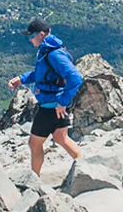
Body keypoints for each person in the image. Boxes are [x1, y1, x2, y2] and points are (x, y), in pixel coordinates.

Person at [8, 18, 85, 175]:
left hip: (51, 106)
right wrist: (21, 78)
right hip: (57, 105)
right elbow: (42, 74)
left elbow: (76, 78)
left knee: (34, 143)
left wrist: (63, 102)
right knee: (60, 138)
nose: (30, 39)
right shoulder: (47, 51)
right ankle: (85, 168)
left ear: (41, 34)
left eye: (32, 36)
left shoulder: (53, 54)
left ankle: (33, 180)